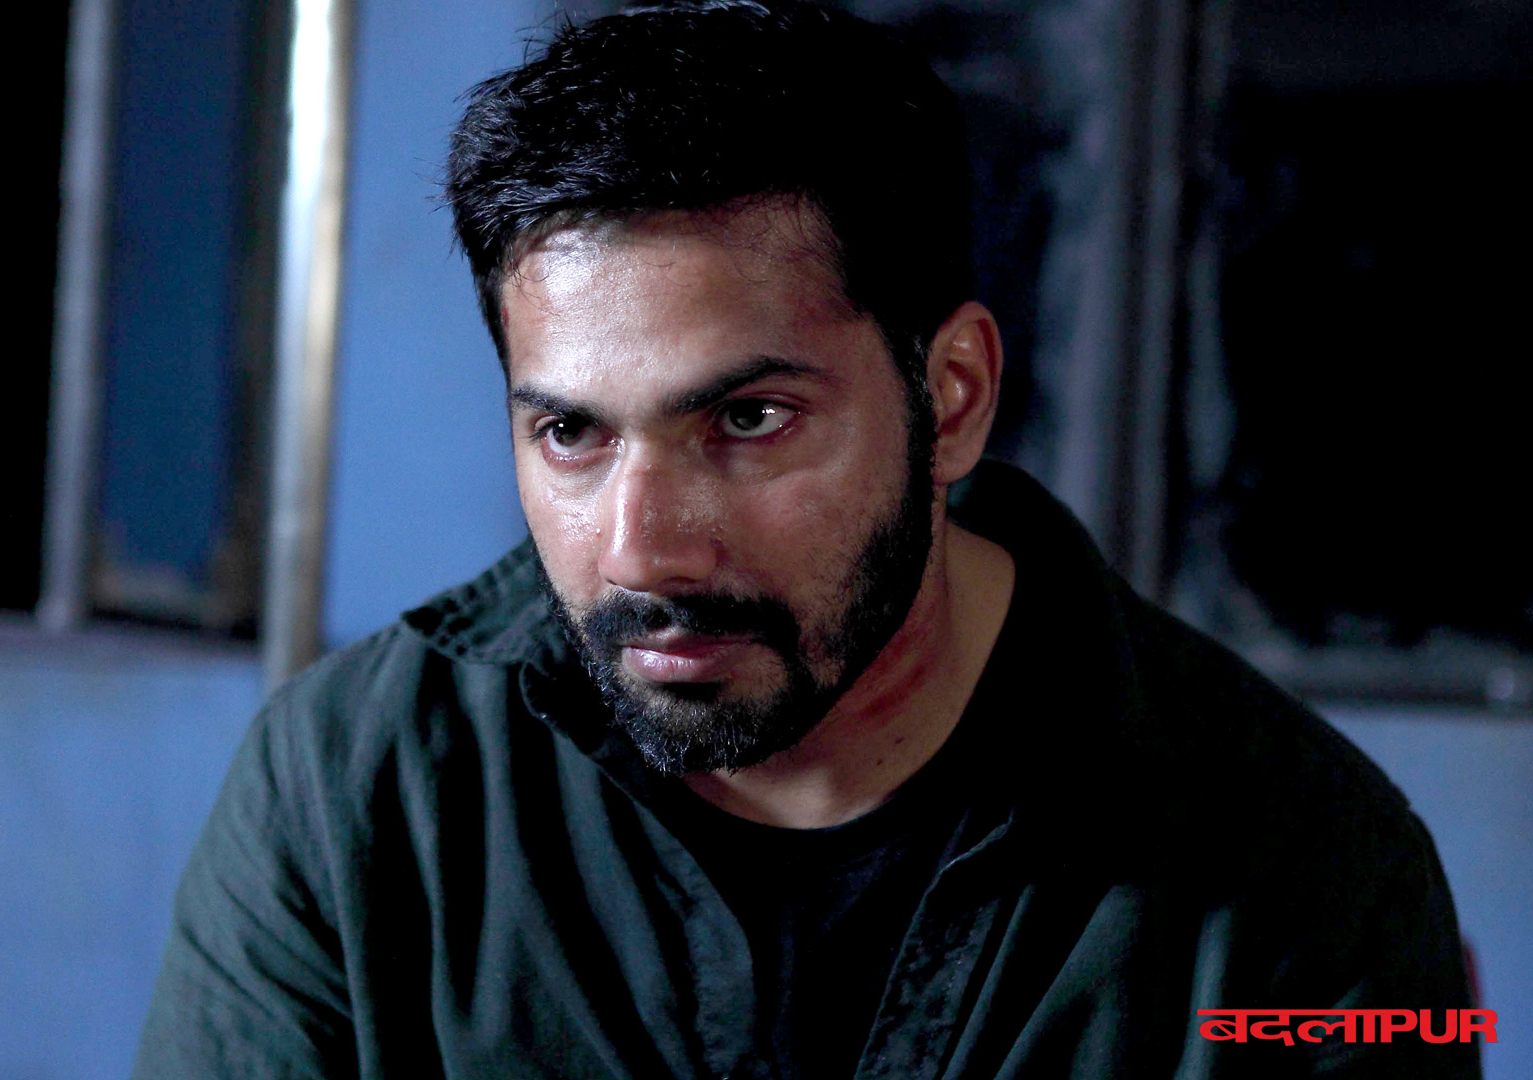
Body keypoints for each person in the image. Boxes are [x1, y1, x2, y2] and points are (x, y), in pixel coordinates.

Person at [132, 3, 1478, 1077]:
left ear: (952, 398)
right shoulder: (355, 794)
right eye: (572, 435)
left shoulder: (1313, 873)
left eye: (749, 419)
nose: (643, 552)